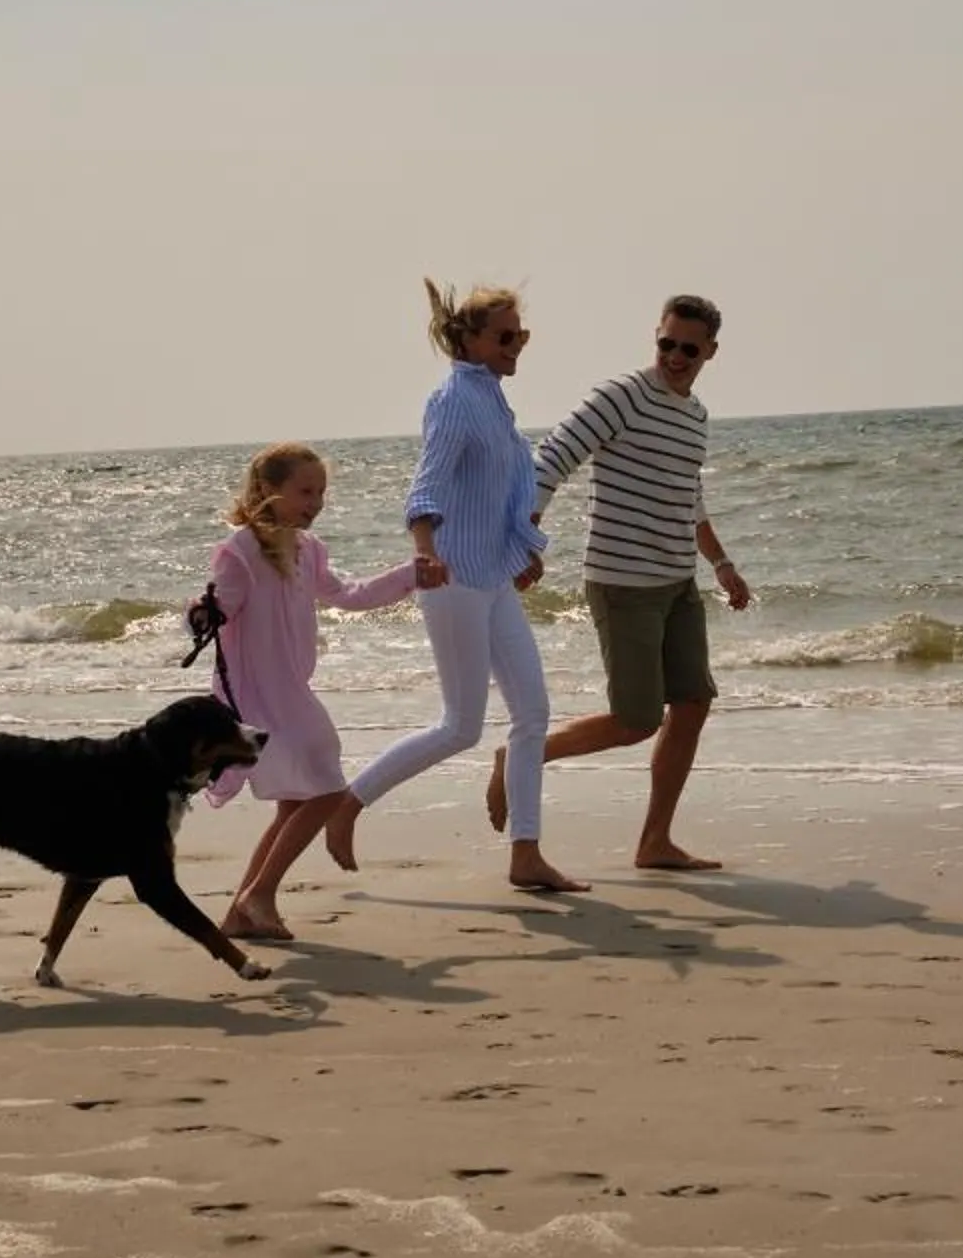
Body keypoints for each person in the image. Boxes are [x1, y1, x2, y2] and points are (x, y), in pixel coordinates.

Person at [325, 281, 586, 894]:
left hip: (492, 577)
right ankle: (348, 804)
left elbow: (499, 494)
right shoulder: (453, 401)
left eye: (521, 335)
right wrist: (424, 551)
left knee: (534, 713)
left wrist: (522, 553)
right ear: (469, 341)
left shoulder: (493, 400)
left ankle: (526, 853)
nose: (516, 345)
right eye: (504, 336)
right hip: (451, 579)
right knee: (461, 725)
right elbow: (429, 482)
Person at [491, 294, 752, 871]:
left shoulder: (696, 416)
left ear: (710, 351)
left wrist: (722, 564)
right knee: (636, 720)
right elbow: (551, 461)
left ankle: (654, 842)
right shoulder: (621, 397)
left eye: (689, 348)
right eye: (667, 343)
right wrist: (522, 542)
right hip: (622, 581)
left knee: (692, 703)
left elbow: (691, 498)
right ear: (654, 336)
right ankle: (519, 758)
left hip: (678, 582)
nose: (675, 357)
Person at [201, 443, 419, 941]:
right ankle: (259, 895)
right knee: (328, 790)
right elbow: (223, 603)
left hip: (292, 687)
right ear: (267, 491)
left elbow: (347, 595)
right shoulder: (240, 550)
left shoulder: (308, 549)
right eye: (304, 492)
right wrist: (202, 611)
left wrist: (411, 575)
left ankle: (241, 912)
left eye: (321, 492)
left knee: (296, 804)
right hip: (261, 695)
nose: (315, 502)